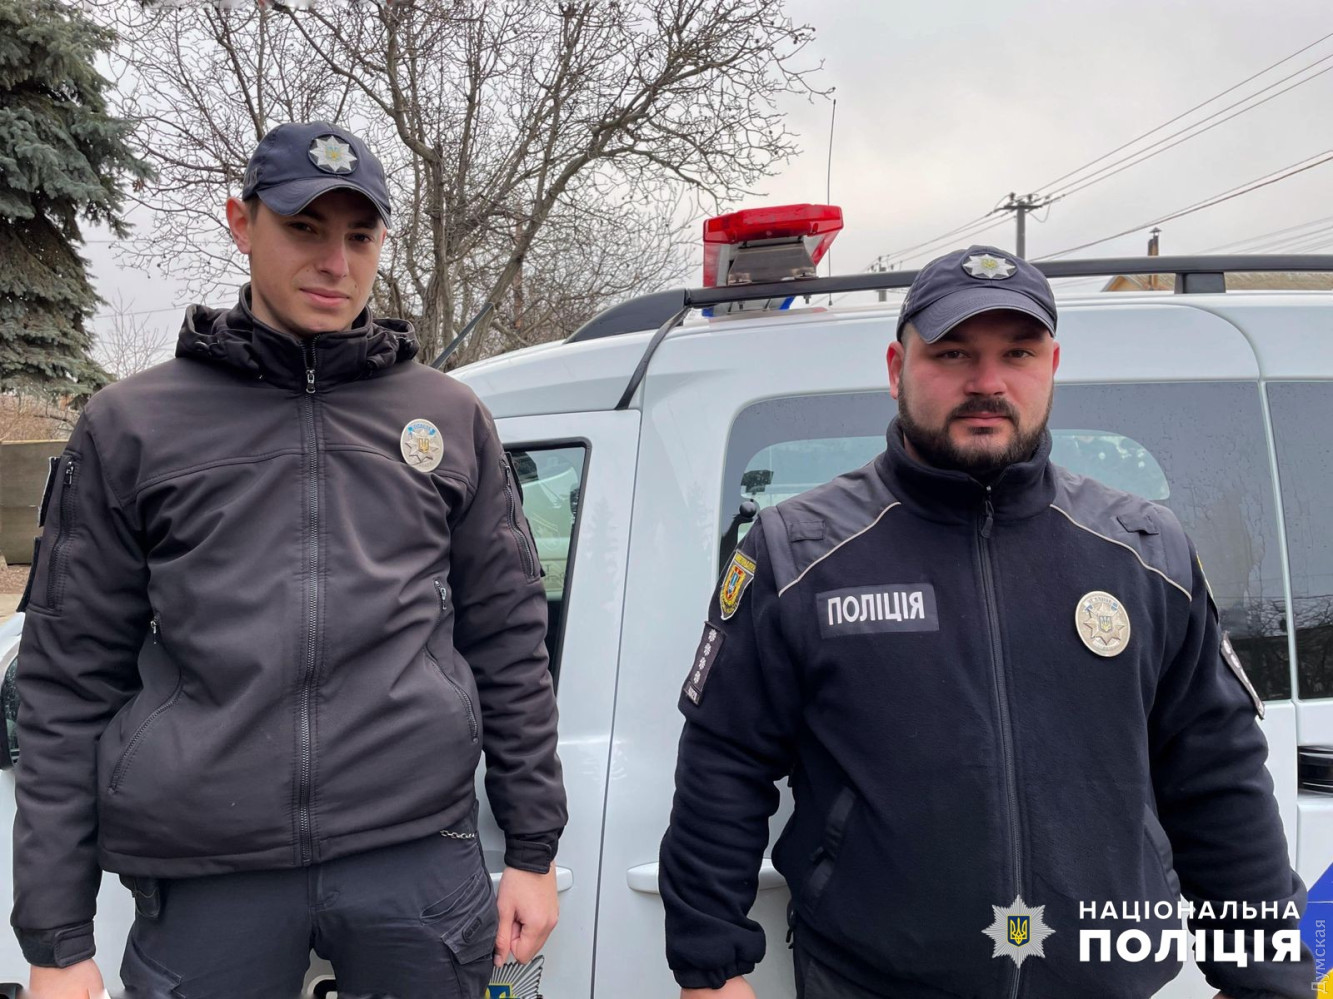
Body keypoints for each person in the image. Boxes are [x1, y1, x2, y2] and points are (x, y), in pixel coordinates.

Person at [658, 246, 1313, 998]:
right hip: (873, 982)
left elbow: (1216, 772)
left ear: (1052, 366)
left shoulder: (1143, 550)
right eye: (952, 352)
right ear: (896, 368)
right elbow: (724, 759)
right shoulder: (800, 551)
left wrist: (1269, 975)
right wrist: (709, 971)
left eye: (1017, 353)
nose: (987, 382)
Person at [12, 121, 566, 999]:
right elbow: (66, 678)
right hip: (209, 878)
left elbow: (508, 640)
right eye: (304, 228)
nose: (335, 263)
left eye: (360, 236)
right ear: (242, 222)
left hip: (415, 860)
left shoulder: (449, 417)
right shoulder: (133, 426)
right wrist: (56, 938)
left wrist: (533, 849)